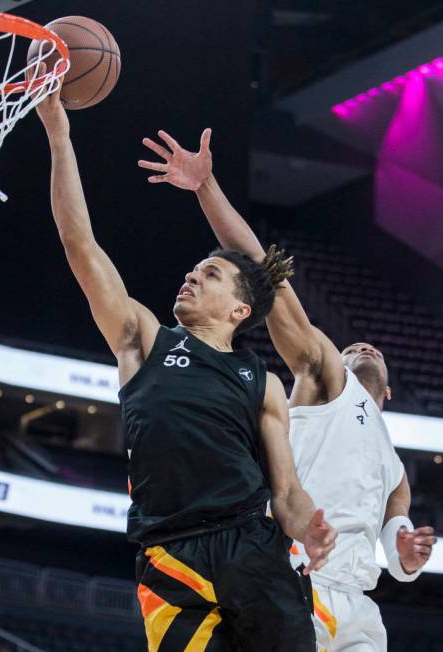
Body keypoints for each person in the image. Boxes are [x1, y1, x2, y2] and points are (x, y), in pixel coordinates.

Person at [34, 81, 337, 650]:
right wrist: (58, 134)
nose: (193, 275)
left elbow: (287, 493)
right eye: (195, 270)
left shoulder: (263, 383)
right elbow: (80, 244)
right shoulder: (141, 340)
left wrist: (309, 528)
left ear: (240, 309)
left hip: (253, 545)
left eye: (211, 274)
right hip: (171, 557)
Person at [139, 128, 437, 651]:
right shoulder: (328, 380)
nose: (362, 348)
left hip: (361, 606)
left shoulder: (394, 467)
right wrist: (207, 188)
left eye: (374, 351)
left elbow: (394, 532)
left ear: (388, 395)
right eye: (352, 348)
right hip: (296, 582)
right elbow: (268, 281)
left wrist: (407, 557)